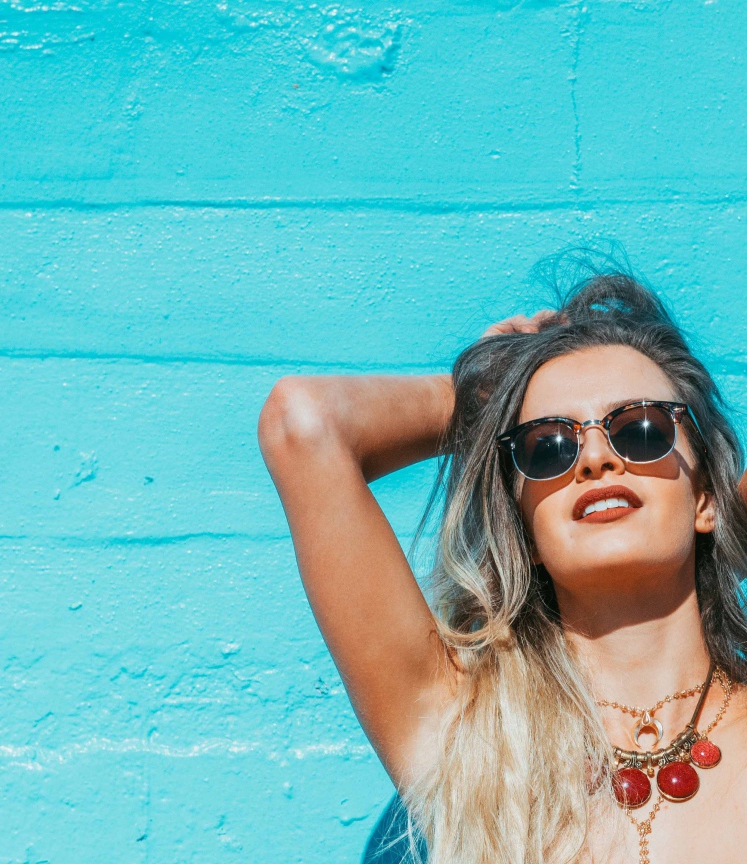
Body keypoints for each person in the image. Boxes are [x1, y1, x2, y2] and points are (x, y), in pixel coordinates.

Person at [256, 261, 747, 864]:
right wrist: (477, 400)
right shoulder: (462, 729)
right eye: (549, 447)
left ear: (704, 499)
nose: (594, 457)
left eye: (639, 430)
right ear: (527, 534)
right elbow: (305, 422)